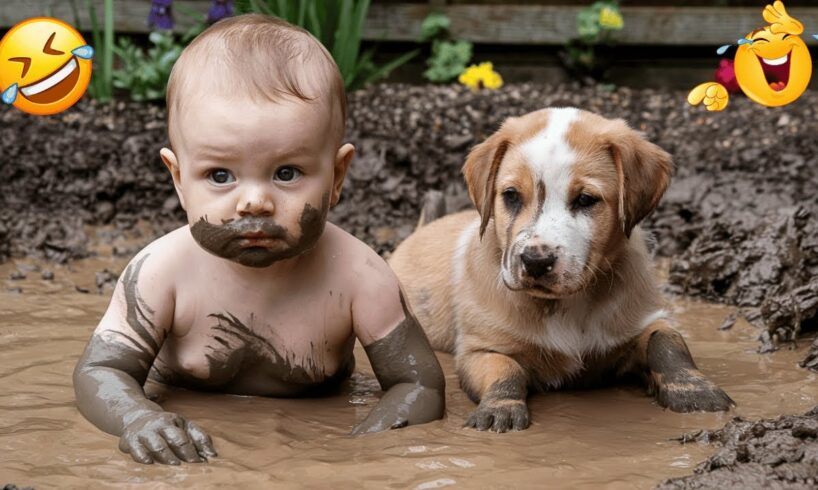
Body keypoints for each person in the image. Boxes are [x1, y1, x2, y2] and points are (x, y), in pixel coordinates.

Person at [73, 13, 445, 465]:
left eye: (286, 173)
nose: (253, 202)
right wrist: (136, 418)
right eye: (220, 175)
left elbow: (419, 384)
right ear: (178, 178)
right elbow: (102, 370)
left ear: (337, 176)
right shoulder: (160, 272)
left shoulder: (360, 277)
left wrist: (364, 449)